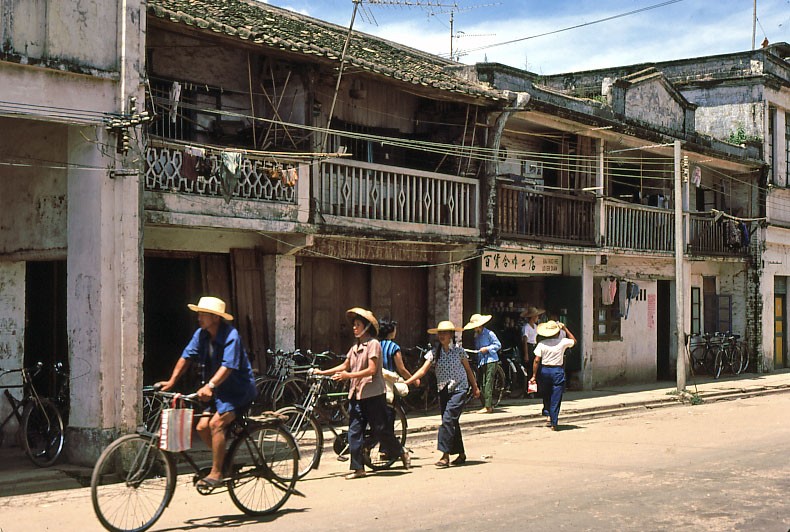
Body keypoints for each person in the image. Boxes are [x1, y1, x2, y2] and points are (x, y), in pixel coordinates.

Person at [158, 296, 257, 488]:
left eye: (204, 314)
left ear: (215, 318)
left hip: (238, 391)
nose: (199, 318)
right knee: (202, 428)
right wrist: (171, 381)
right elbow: (185, 357)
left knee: (216, 424)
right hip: (217, 390)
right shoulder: (201, 335)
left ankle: (217, 472)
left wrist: (209, 386)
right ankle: (225, 460)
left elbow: (227, 367)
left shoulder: (231, 336)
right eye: (199, 314)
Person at [314, 307, 410, 479]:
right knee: (354, 431)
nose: (354, 328)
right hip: (356, 395)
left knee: (381, 430)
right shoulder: (355, 347)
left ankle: (401, 452)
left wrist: (348, 376)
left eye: (357, 325)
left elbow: (372, 370)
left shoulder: (373, 345)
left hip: (373, 395)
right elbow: (345, 366)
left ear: (366, 327)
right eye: (354, 325)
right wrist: (322, 373)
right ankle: (359, 468)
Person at [404, 320, 480, 468]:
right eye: (440, 333)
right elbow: (423, 370)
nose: (442, 336)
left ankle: (445, 455)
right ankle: (461, 453)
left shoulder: (459, 351)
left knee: (447, 420)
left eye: (445, 333)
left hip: (459, 389)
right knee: (452, 422)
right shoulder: (434, 352)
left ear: (452, 334)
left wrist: (475, 387)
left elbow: (468, 370)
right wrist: (408, 381)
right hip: (444, 390)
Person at [528, 320, 576, 431]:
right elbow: (574, 340)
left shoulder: (542, 344)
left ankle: (548, 414)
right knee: (556, 397)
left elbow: (536, 360)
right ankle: (554, 422)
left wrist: (534, 376)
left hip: (544, 370)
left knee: (546, 394)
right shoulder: (563, 342)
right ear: (558, 332)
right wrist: (565, 329)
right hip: (557, 371)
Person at [378, 318, 417, 429]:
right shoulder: (394, 347)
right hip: (389, 383)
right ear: (391, 331)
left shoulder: (375, 345)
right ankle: (388, 443)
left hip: (376, 384)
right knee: (390, 414)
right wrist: (414, 379)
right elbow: (401, 369)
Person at [463, 313, 501, 414]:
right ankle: (485, 404)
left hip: (491, 360)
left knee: (488, 383)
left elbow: (498, 345)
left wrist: (487, 349)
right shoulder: (477, 336)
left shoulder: (489, 333)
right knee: (482, 383)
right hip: (481, 361)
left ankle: (488, 407)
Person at [520, 306, 545, 383]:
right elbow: (525, 340)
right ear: (533, 317)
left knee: (535, 367)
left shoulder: (535, 326)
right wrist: (526, 354)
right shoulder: (526, 327)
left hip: (535, 346)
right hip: (529, 347)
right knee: (529, 368)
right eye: (536, 316)